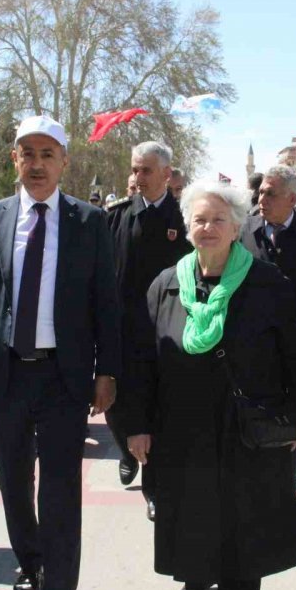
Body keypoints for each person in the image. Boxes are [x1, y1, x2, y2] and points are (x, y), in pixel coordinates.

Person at [0, 114, 121, 590]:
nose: (38, 164)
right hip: (5, 376)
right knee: (13, 479)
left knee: (62, 487)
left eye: (48, 154)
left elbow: (105, 303)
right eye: (29, 154)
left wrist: (106, 371)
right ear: (14, 160)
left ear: (65, 161)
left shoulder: (89, 223)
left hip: (63, 377)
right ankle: (30, 563)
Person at [125, 180, 296, 590]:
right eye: (199, 219)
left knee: (245, 528)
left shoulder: (267, 283)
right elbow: (141, 362)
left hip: (247, 430)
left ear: (236, 226)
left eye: (218, 220)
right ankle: (196, 574)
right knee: (194, 520)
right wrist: (137, 426)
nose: (208, 228)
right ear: (187, 226)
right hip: (182, 432)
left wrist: (293, 420)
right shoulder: (166, 285)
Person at [106, 141, 192, 522]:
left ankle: (153, 489)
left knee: (160, 413)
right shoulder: (116, 218)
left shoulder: (186, 220)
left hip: (168, 335)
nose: (138, 178)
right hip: (124, 333)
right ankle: (126, 450)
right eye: (135, 170)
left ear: (166, 175)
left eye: (145, 171)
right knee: (117, 407)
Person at [240, 165, 296, 519]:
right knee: (252, 419)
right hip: (250, 347)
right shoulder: (244, 231)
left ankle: (285, 488)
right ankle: (255, 489)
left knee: (295, 421)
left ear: (292, 200)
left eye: (271, 193)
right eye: (261, 191)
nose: (262, 198)